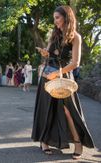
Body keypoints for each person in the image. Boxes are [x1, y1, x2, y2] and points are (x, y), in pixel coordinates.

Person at [32, 6, 95, 159]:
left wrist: (57, 73)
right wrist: (45, 53)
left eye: (57, 18)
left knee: (69, 110)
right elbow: (49, 54)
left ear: (67, 18)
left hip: (64, 76)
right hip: (48, 75)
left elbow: (76, 62)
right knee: (47, 108)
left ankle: (78, 143)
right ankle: (44, 141)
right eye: (54, 18)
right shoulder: (53, 35)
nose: (55, 21)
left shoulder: (76, 37)